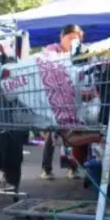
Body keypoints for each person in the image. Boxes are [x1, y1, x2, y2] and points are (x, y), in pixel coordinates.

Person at [40, 24, 90, 180]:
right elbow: (48, 62)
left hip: (74, 100)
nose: (73, 41)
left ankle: (74, 168)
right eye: (70, 37)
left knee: (78, 134)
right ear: (62, 38)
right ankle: (46, 169)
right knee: (52, 133)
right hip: (56, 100)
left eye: (76, 38)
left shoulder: (80, 51)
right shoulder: (53, 49)